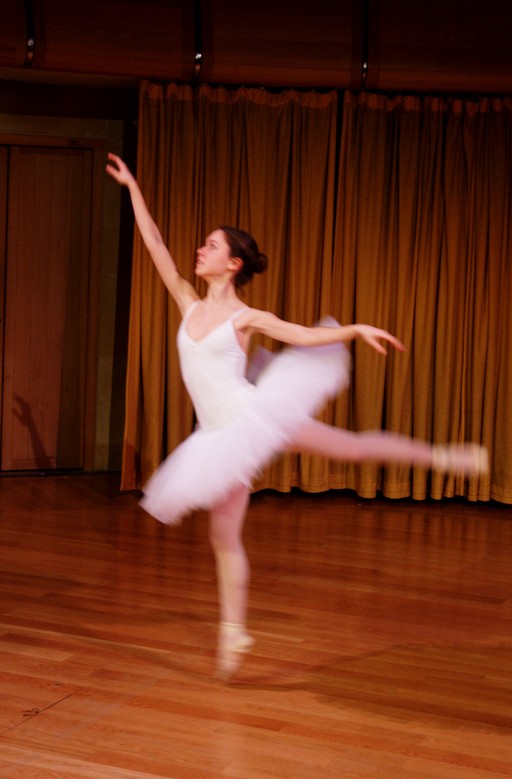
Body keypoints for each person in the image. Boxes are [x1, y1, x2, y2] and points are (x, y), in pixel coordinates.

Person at [106, 153, 489, 679]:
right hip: (217, 439)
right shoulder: (187, 300)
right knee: (223, 536)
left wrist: (354, 329)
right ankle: (234, 632)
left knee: (350, 447)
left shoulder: (246, 317)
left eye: (212, 245)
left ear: (233, 263)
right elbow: (155, 245)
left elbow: (305, 336)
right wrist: (133, 188)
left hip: (252, 416)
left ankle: (443, 457)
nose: (200, 249)